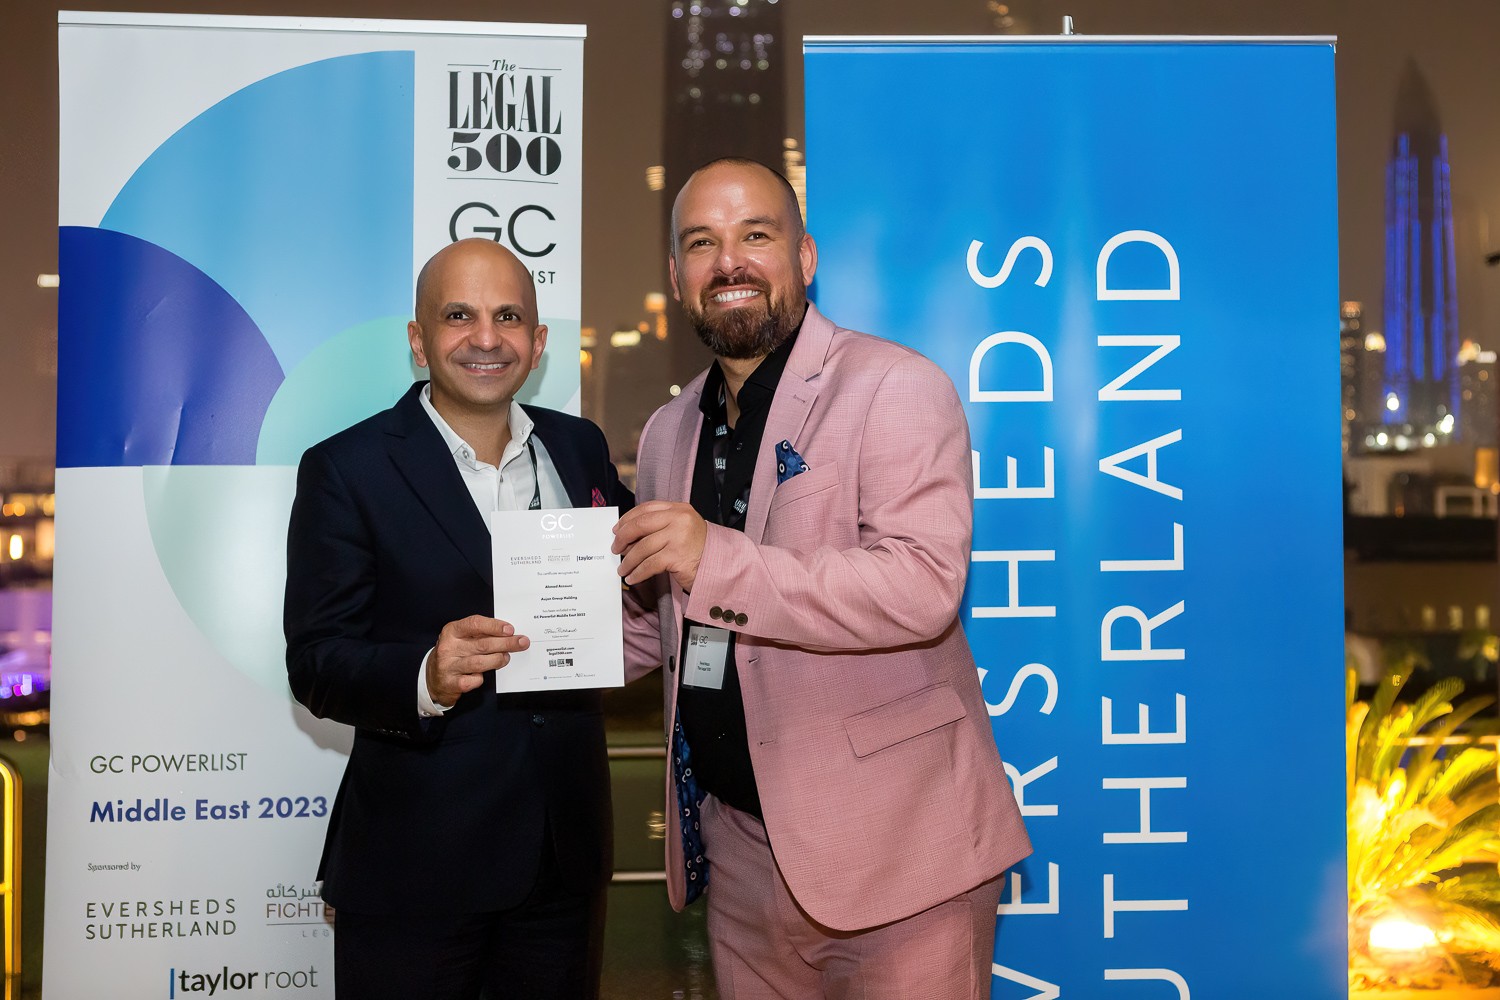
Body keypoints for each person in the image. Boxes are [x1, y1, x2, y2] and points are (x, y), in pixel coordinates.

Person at [614, 157, 1032, 999]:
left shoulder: (894, 385)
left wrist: (714, 557)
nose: (729, 262)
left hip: (901, 856)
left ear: (804, 257)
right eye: (702, 243)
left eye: (755, 235)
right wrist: (520, 642)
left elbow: (921, 587)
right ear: (677, 275)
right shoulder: (667, 431)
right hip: (740, 858)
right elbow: (663, 626)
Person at [284, 239, 628, 1000]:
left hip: (564, 860)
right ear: (418, 340)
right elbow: (316, 661)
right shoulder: (347, 467)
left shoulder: (580, 448)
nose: (486, 338)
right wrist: (425, 676)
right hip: (415, 864)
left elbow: (622, 586)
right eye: (458, 316)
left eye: (508, 316)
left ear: (538, 340)